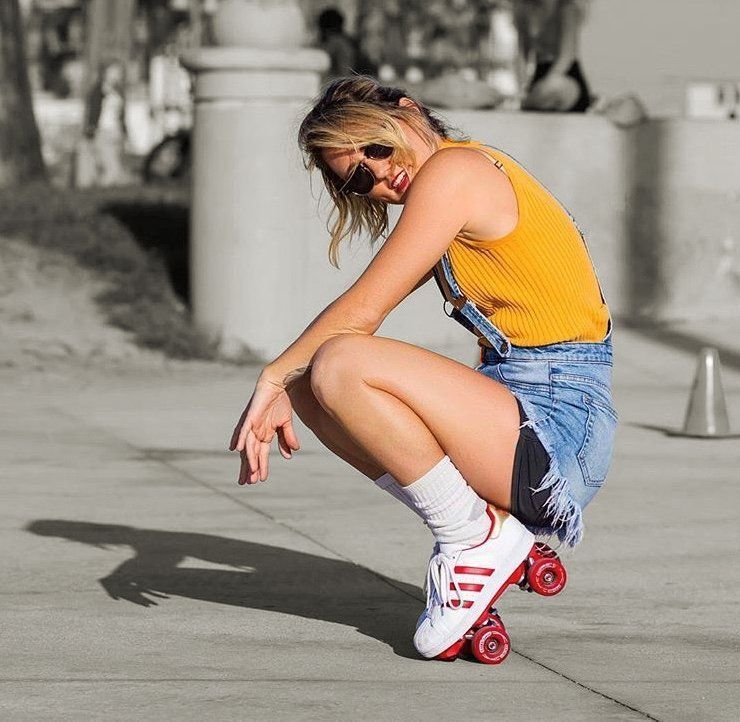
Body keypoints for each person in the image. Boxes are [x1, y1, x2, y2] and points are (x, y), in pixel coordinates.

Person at [230, 77, 616, 660]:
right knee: (317, 385)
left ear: (408, 112)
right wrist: (290, 381)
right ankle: (481, 532)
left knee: (338, 362)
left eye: (377, 149)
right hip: (513, 411)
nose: (379, 175)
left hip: (558, 426)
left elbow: (364, 311)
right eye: (357, 177)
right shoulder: (444, 185)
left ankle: (473, 537)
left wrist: (270, 376)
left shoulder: (456, 172)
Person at [513, 0, 592, 112]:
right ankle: (531, 101)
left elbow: (567, 55)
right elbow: (522, 55)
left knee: (554, 87)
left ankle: (532, 101)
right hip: (539, 77)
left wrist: (546, 84)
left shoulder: (568, 8)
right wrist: (521, 86)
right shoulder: (524, 10)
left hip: (565, 75)